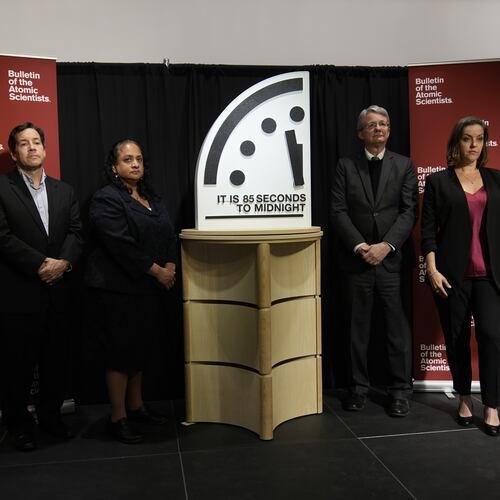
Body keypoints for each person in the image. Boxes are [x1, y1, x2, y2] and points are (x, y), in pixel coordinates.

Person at [85, 139, 177, 444]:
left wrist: (170, 264)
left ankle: (136, 407)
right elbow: (121, 245)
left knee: (139, 351)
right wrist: (157, 271)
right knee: (120, 353)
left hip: (147, 287)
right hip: (118, 289)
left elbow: (167, 232)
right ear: (114, 166)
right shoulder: (106, 199)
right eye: (127, 159)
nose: (135, 164)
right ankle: (118, 416)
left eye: (138, 158)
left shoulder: (151, 197)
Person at [0, 122, 83, 451]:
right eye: (24, 143)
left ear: (45, 149)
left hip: (59, 291)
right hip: (19, 292)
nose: (32, 147)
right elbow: (2, 236)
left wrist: (63, 263)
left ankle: (50, 417)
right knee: (17, 363)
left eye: (37, 142)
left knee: (55, 360)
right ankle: (18, 424)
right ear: (15, 152)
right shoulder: (2, 188)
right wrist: (39, 264)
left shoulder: (66, 191)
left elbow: (77, 233)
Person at [331, 105, 418, 417]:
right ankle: (358, 389)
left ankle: (399, 392)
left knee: (396, 330)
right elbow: (338, 211)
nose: (378, 129)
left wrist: (387, 246)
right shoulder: (345, 165)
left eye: (383, 124)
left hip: (391, 262)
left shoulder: (405, 165)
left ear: (389, 131)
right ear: (361, 133)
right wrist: (360, 246)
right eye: (372, 125)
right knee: (357, 329)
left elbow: (409, 211)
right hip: (357, 261)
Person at [422, 117, 500, 436]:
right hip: (451, 275)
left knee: (492, 337)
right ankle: (465, 397)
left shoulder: (496, 179)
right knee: (456, 339)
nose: (473, 145)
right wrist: (432, 268)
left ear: (485, 144)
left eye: (479, 139)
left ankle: (492, 405)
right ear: (457, 142)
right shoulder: (439, 182)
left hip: (490, 275)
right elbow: (428, 230)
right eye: (467, 139)